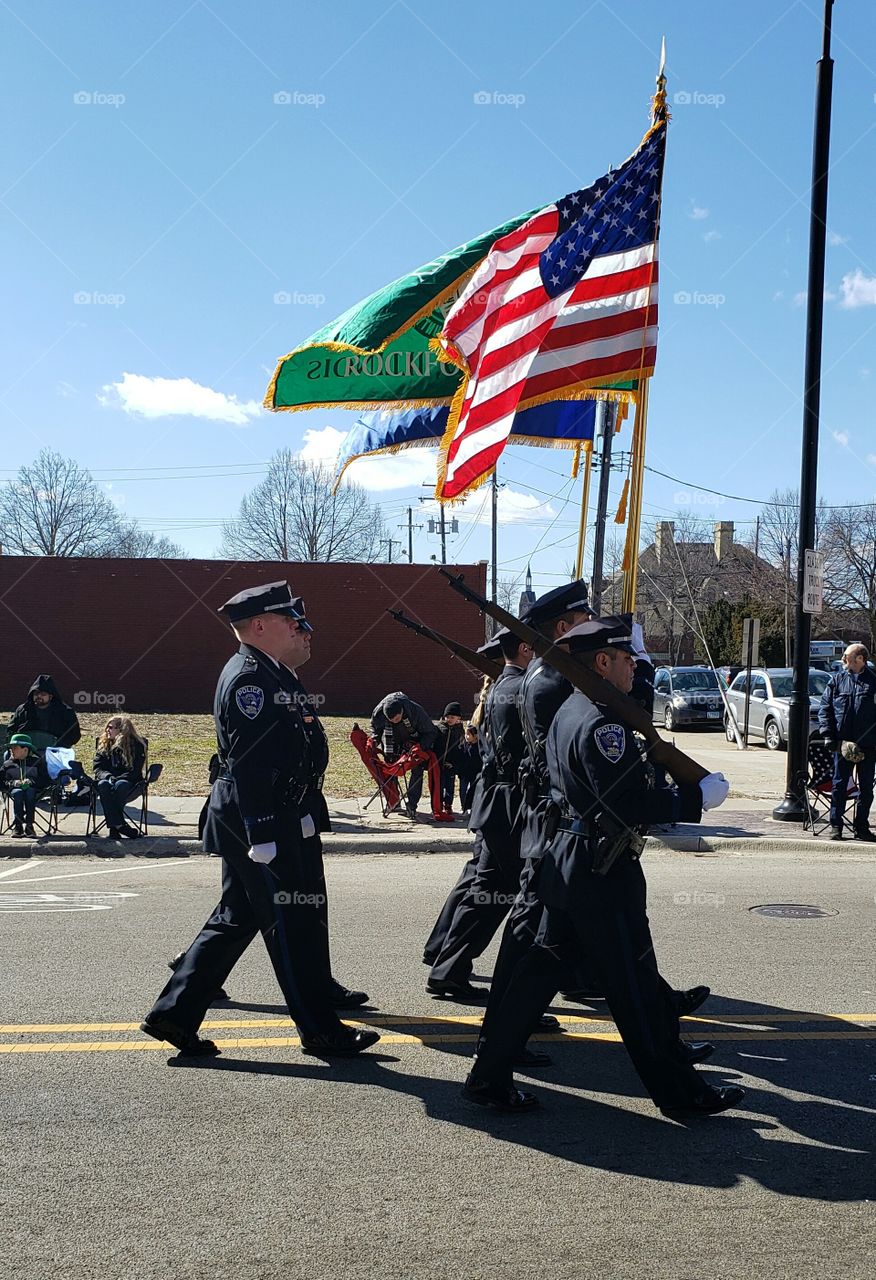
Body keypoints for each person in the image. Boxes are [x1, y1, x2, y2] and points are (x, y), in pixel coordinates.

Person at [464, 616, 743, 1119]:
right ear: (602, 662)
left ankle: (488, 1076)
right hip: (601, 868)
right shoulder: (604, 721)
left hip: (568, 859)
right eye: (626, 657)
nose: (635, 664)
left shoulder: (571, 710)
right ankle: (684, 1094)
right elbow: (626, 801)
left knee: (537, 974)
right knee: (634, 983)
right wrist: (693, 797)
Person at [141, 581, 378, 1060]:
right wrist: (265, 832)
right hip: (260, 821)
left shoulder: (275, 672)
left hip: (273, 814)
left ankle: (175, 1012)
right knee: (293, 921)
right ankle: (320, 1031)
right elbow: (250, 763)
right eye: (294, 624)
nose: (304, 632)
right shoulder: (252, 679)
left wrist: (307, 812)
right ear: (262, 626)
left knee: (236, 916)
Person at [425, 628, 533, 1001]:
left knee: (481, 887)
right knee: (499, 892)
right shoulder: (512, 691)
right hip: (506, 806)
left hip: (494, 804)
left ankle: (444, 959)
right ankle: (452, 968)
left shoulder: (493, 693)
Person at [818, 642, 876, 841]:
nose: (843, 659)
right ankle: (836, 827)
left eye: (847, 655)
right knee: (839, 786)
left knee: (866, 788)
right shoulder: (837, 680)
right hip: (843, 745)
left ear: (860, 659)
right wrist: (828, 735)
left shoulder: (873, 681)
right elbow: (825, 708)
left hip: (869, 745)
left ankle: (862, 828)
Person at [370, 691, 439, 816]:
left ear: (402, 711)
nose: (395, 722)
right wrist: (374, 740)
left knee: (417, 771)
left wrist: (421, 746)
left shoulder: (416, 711)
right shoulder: (378, 713)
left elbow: (431, 732)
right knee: (390, 769)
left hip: (414, 742)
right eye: (391, 720)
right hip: (391, 741)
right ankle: (393, 801)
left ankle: (412, 804)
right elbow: (376, 728)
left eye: (397, 719)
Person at [92, 715, 146, 840]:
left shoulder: (136, 745)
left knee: (120, 785)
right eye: (107, 727)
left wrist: (117, 779)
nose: (107, 730)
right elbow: (98, 768)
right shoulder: (104, 744)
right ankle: (119, 826)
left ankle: (115, 826)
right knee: (103, 785)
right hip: (108, 779)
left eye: (111, 728)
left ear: (122, 730)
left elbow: (135, 771)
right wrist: (109, 777)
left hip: (129, 781)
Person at [7, 675, 81, 749]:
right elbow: (11, 731)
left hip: (55, 750)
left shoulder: (66, 712)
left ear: (51, 696)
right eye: (36, 693)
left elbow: (74, 735)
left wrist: (58, 744)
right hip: (26, 750)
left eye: (43, 694)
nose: (39, 696)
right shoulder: (23, 710)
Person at [1, 734, 49, 838]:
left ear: (25, 749)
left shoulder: (37, 763)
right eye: (11, 748)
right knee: (18, 793)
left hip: (33, 789)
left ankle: (29, 825)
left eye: (15, 748)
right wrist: (13, 783)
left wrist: (31, 781)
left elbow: (46, 779)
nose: (11, 751)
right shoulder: (7, 765)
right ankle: (18, 826)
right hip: (14, 789)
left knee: (30, 792)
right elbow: (2, 781)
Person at [435, 702, 466, 812]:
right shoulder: (440, 729)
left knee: (450, 786)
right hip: (439, 762)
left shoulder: (460, 731)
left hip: (452, 764)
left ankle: (448, 805)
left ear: (458, 718)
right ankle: (437, 805)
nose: (449, 719)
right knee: (439, 785)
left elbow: (461, 749)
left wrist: (455, 763)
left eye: (452, 717)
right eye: (447, 717)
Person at [455, 724, 482, 813]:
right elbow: (459, 757)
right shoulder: (463, 745)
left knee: (473, 791)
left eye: (469, 734)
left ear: (475, 736)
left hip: (475, 773)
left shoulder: (479, 747)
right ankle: (464, 807)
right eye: (466, 734)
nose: (466, 737)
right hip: (464, 773)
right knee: (463, 791)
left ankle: (473, 807)